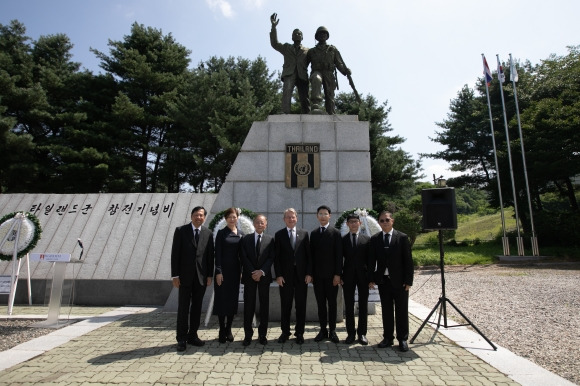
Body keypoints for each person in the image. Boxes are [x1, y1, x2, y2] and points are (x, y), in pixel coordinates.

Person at [369, 211, 414, 352]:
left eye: (387, 220)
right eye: (381, 221)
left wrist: (408, 281)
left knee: (401, 310)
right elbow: (371, 261)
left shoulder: (402, 237)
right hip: (383, 281)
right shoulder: (375, 239)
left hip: (400, 282)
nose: (384, 223)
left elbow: (408, 261)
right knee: (387, 311)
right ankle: (388, 337)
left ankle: (402, 339)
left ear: (392, 221)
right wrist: (371, 279)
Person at [171, 206, 215, 352]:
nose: (199, 217)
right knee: (183, 308)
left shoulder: (208, 233)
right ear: (191, 216)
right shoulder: (181, 231)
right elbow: (175, 254)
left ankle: (193, 335)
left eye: (201, 215)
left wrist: (209, 275)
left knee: (197, 308)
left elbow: (209, 257)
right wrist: (175, 275)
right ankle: (181, 339)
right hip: (184, 277)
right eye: (196, 215)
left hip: (201, 278)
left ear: (204, 217)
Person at [274, 208, 312, 344]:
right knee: (286, 305)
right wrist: (278, 275)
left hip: (302, 276)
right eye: (288, 217)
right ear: (284, 219)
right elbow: (276, 258)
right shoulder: (279, 235)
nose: (291, 219)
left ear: (297, 218)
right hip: (285, 277)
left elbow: (309, 256)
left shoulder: (304, 234)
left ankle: (299, 333)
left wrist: (309, 273)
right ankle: (285, 332)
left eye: (293, 217)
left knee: (301, 305)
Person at [239, 214, 275, 346]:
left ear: (266, 225)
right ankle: (248, 335)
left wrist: (261, 272)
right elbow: (243, 257)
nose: (260, 224)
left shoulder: (270, 240)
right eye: (257, 222)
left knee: (264, 306)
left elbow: (271, 257)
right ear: (254, 224)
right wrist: (252, 272)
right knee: (249, 306)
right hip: (250, 277)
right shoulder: (246, 239)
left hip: (264, 277)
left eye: (262, 222)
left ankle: (262, 334)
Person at [309, 205, 342, 343]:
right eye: (320, 214)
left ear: (330, 216)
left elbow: (339, 256)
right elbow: (311, 256)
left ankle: (333, 331)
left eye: (325, 214)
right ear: (317, 216)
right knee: (321, 304)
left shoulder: (335, 233)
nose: (322, 216)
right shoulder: (314, 233)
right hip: (317, 276)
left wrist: (337, 275)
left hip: (331, 276)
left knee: (332, 303)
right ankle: (323, 330)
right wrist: (310, 274)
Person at [213, 207, 244, 343]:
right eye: (229, 217)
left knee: (232, 300)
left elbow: (242, 255)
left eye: (234, 217)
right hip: (223, 271)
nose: (232, 219)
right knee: (221, 300)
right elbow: (217, 254)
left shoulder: (241, 234)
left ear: (237, 218)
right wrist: (218, 271)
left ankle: (229, 329)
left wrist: (243, 271)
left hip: (235, 272)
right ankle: (221, 329)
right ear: (226, 219)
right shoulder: (221, 233)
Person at [269, 13, 310, 114]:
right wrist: (274, 27)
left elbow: (316, 60)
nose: (297, 35)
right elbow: (274, 43)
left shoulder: (308, 50)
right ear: (292, 37)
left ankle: (307, 114)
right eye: (295, 34)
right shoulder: (287, 47)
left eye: (299, 34)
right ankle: (285, 112)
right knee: (287, 92)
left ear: (302, 37)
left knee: (304, 96)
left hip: (302, 74)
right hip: (289, 73)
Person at [306, 26, 352, 114]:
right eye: (320, 33)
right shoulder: (312, 51)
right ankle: (316, 104)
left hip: (329, 73)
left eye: (324, 33)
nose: (322, 35)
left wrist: (345, 71)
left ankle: (331, 112)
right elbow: (304, 64)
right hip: (317, 71)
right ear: (317, 36)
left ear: (327, 36)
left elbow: (339, 63)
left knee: (330, 95)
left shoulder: (332, 49)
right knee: (316, 79)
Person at [341, 214, 371, 345]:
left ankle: (362, 333)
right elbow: (339, 260)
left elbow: (371, 261)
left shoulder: (367, 239)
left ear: (360, 223)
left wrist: (371, 278)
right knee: (349, 305)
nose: (353, 224)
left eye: (356, 221)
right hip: (347, 277)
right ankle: (351, 334)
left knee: (363, 305)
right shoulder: (343, 240)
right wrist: (339, 275)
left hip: (363, 277)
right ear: (347, 224)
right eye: (351, 222)